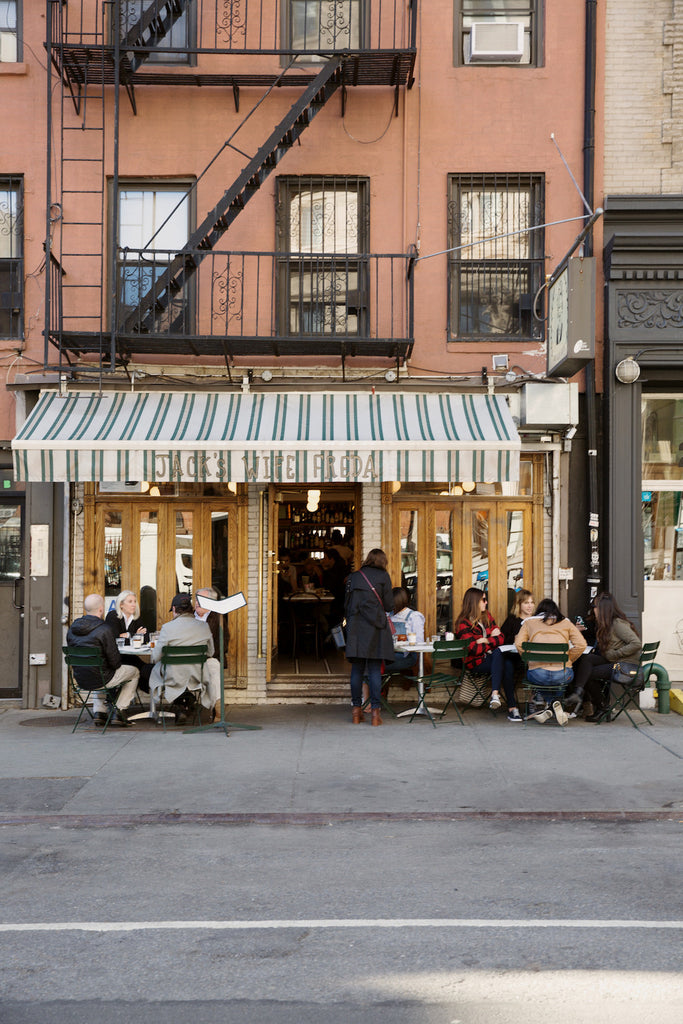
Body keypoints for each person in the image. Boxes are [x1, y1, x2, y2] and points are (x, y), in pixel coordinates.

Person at [565, 592, 641, 721]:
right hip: (614, 661)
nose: (593, 609)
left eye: (595, 607)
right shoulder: (606, 624)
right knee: (587, 660)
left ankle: (602, 707)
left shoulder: (618, 624)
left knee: (587, 673)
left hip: (624, 666)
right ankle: (579, 693)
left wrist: (616, 653)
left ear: (603, 609)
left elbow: (636, 643)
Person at [66, 593, 139, 727]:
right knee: (134, 672)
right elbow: (115, 662)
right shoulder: (104, 629)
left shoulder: (72, 629)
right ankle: (119, 711)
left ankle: (99, 712)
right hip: (102, 678)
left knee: (97, 669)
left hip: (80, 678)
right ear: (101, 609)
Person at [149, 593, 220, 724]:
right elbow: (210, 652)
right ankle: (187, 703)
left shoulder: (167, 628)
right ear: (191, 609)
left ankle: (181, 704)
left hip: (173, 677)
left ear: (174, 609)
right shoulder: (204, 627)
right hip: (197, 676)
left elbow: (156, 657)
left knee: (153, 670)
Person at [515, 598, 587, 724]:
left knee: (539, 679)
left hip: (537, 674)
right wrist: (568, 659)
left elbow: (519, 644)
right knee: (559, 679)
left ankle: (551, 706)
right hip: (562, 674)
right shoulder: (566, 623)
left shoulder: (529, 623)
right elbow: (581, 645)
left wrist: (530, 659)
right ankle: (555, 705)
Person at [344, 548, 394, 726]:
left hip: (356, 629)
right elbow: (388, 605)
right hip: (376, 628)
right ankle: (375, 713)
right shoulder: (383, 576)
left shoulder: (354, 577)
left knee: (356, 670)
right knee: (374, 670)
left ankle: (356, 712)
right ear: (382, 561)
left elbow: (346, 605)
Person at [454, 587, 521, 722]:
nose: (486, 602)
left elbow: (501, 638)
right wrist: (492, 640)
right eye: (483, 600)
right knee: (499, 655)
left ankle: (502, 701)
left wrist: (485, 640)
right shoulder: (463, 623)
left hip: (491, 659)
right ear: (474, 602)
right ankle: (510, 707)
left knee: (506, 663)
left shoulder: (487, 616)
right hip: (476, 663)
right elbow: (473, 649)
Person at [105, 590, 152, 692]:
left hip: (129, 656)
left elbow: (147, 637)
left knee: (146, 668)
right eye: (130, 601)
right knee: (146, 669)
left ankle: (147, 688)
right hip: (115, 658)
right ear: (121, 604)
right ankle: (147, 688)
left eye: (135, 601)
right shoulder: (113, 616)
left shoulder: (135, 618)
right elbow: (114, 639)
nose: (134, 604)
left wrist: (127, 636)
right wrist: (135, 635)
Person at [382, 587, 425, 677]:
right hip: (388, 653)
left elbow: (419, 642)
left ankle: (377, 689)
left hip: (406, 656)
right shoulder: (388, 615)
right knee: (371, 661)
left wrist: (404, 642)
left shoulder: (413, 616)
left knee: (374, 665)